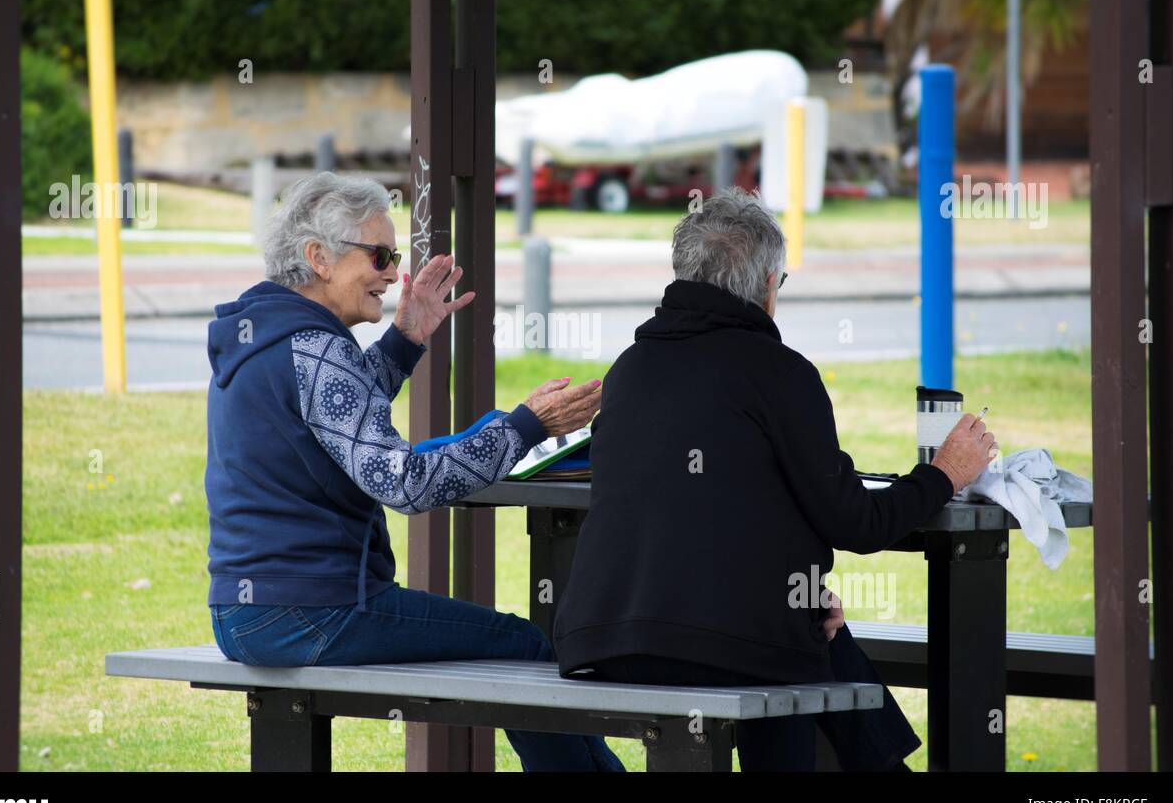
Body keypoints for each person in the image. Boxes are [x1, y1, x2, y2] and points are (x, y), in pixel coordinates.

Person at [552, 187, 996, 771]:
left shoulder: (629, 370)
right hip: (724, 643)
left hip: (602, 639)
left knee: (812, 630)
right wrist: (942, 474)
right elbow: (857, 524)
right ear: (766, 285)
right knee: (804, 646)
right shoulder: (780, 374)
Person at [205, 171, 622, 771]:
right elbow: (403, 483)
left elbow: (333, 412)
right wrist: (529, 424)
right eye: (378, 255)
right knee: (525, 644)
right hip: (311, 612)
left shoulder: (264, 333)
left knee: (516, 644)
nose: (391, 273)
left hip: (247, 611)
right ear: (318, 258)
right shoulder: (315, 348)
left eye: (394, 256)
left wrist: (404, 339)